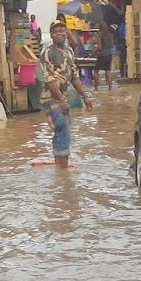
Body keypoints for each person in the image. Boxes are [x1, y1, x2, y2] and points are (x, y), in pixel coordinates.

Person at [40, 20, 92, 169]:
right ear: (51, 35)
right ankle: (62, 171)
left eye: (62, 31)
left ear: (66, 34)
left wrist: (85, 97)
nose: (59, 34)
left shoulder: (69, 52)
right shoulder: (48, 53)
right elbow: (49, 79)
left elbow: (74, 76)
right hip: (51, 98)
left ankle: (60, 170)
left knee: (63, 129)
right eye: (56, 32)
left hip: (63, 98)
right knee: (63, 130)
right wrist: (62, 100)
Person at [9, 26, 42, 113]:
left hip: (28, 75)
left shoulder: (22, 48)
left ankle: (37, 104)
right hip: (24, 75)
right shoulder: (15, 50)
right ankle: (36, 104)